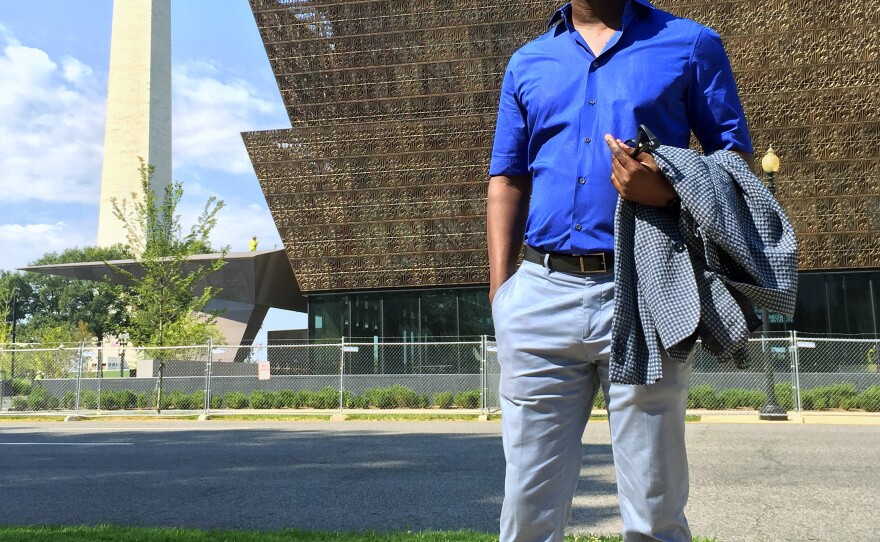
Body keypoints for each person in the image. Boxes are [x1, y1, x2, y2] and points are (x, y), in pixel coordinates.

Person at [487, 1, 754, 541]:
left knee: (654, 507)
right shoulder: (528, 61)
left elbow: (735, 163)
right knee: (526, 508)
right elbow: (508, 179)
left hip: (644, 290)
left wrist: (664, 188)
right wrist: (501, 293)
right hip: (539, 293)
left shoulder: (691, 44)